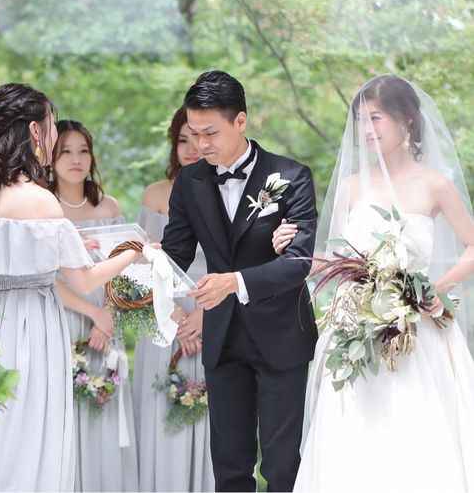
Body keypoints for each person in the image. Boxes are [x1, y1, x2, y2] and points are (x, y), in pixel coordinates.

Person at [0, 84, 144, 492]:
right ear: (35, 131)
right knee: (31, 430)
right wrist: (135, 249)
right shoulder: (39, 199)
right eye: (52, 124)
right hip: (32, 324)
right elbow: (84, 279)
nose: (54, 134)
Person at [292, 74, 474, 492]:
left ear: (405, 119)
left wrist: (436, 289)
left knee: (416, 436)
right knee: (356, 440)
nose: (365, 129)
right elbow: (338, 259)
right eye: (360, 119)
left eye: (375, 118)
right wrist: (293, 248)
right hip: (356, 331)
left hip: (418, 333)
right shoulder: (351, 186)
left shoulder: (435, 184)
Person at [161, 71, 318, 492]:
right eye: (193, 133)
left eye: (210, 133)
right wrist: (133, 261)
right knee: (229, 467)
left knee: (283, 466)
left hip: (282, 335)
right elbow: (174, 255)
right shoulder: (189, 182)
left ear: (241, 121)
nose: (200, 145)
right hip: (223, 339)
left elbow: (299, 263)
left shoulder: (291, 176)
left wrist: (233, 282)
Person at [49, 119, 138, 492]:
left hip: (106, 324)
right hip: (60, 320)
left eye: (83, 151)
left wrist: (107, 316)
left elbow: (123, 270)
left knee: (103, 412)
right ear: (50, 157)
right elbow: (45, 277)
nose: (76, 159)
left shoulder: (108, 206)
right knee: (63, 419)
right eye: (66, 151)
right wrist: (92, 314)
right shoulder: (44, 207)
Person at [132, 106, 214, 492]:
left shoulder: (227, 191)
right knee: (163, 412)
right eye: (183, 140)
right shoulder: (156, 194)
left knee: (212, 418)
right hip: (164, 313)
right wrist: (179, 316)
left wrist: (203, 317)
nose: (192, 148)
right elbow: (142, 264)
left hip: (215, 310)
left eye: (200, 138)